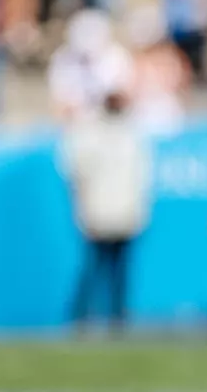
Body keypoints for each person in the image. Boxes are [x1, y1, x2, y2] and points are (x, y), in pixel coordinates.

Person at [62, 90, 153, 331]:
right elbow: (77, 173)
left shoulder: (131, 134)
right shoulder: (89, 133)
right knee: (93, 268)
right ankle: (81, 317)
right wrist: (83, 210)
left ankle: (117, 319)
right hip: (98, 213)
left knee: (119, 272)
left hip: (124, 214)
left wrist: (138, 212)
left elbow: (140, 178)